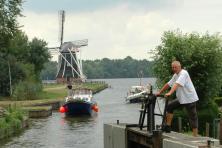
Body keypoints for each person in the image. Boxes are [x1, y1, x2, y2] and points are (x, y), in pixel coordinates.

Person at [156, 61, 199, 137]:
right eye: (172, 67)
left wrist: (170, 93)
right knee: (169, 106)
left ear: (180, 67)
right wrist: (159, 92)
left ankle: (195, 135)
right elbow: (168, 84)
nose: (174, 69)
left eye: (175, 67)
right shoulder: (175, 75)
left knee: (192, 116)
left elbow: (177, 84)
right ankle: (168, 127)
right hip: (181, 98)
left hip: (189, 98)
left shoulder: (184, 73)